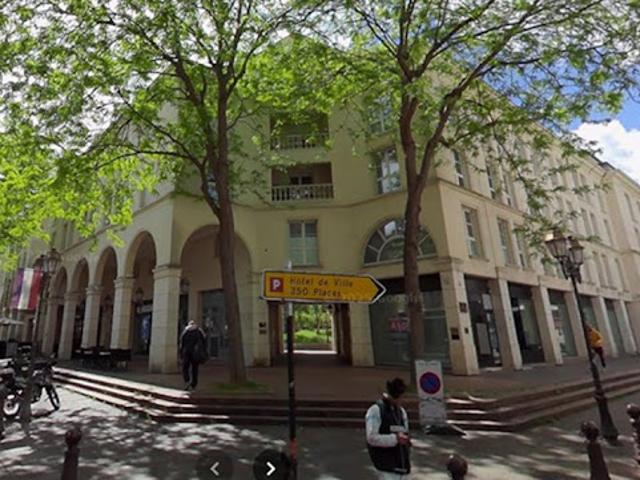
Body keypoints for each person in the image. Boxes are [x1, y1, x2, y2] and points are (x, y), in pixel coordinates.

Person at [365, 378, 411, 479]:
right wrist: (395, 439)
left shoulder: (401, 412)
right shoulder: (376, 410)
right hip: (384, 466)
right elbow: (371, 438)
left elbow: (405, 432)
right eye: (401, 397)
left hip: (401, 465)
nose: (402, 400)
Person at [179, 320, 207, 391]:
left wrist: (181, 353)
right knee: (195, 369)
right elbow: (204, 341)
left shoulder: (185, 331)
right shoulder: (199, 331)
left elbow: (182, 342)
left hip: (187, 352)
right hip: (195, 353)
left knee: (185, 367)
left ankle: (187, 380)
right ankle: (194, 384)